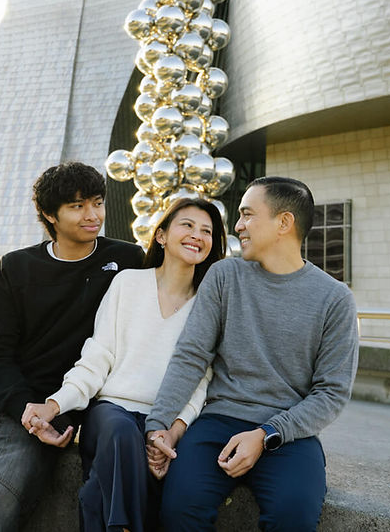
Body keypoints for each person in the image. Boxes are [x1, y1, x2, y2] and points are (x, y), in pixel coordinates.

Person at [0, 161, 144, 532]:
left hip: (51, 411)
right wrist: (23, 407)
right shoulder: (16, 267)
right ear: (50, 215)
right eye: (77, 206)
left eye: (97, 203)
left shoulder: (129, 261)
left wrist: (49, 413)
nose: (92, 215)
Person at [145, 177, 359, 531]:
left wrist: (266, 434)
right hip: (216, 424)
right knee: (178, 511)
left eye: (247, 215)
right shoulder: (225, 275)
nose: (238, 226)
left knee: (293, 517)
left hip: (288, 434)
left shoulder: (334, 299)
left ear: (284, 223)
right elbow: (191, 355)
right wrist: (159, 425)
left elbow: (332, 393)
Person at [22, 197, 225, 531]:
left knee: (111, 473)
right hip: (112, 412)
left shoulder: (210, 305)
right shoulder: (128, 283)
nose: (197, 235)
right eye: (187, 225)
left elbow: (201, 383)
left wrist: (172, 433)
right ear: (161, 235)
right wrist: (55, 404)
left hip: (167, 420)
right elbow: (96, 358)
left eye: (207, 231)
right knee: (122, 435)